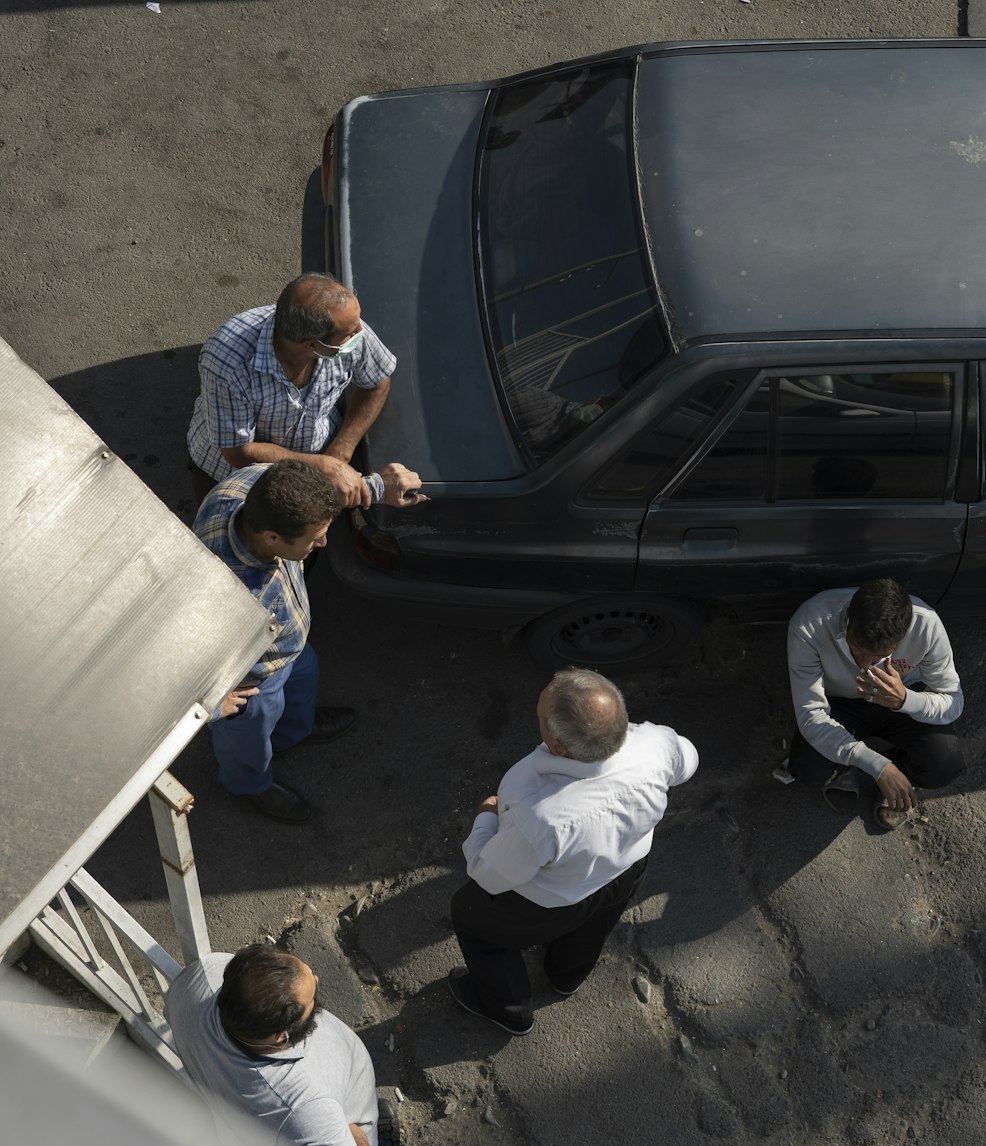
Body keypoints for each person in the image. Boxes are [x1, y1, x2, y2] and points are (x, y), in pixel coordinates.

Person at [449, 669, 699, 1036]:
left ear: (560, 746)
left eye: (540, 718)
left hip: (551, 900)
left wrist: (486, 818)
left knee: (471, 917)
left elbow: (489, 873)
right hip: (626, 870)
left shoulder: (540, 815)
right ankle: (566, 976)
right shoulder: (656, 743)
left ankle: (508, 1008)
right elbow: (687, 760)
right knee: (594, 922)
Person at [196, 457, 422, 824]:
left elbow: (315, 494)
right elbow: (179, 647)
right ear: (272, 537)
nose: (324, 541)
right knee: (247, 742)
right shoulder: (224, 592)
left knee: (302, 688)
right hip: (251, 680)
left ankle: (292, 732)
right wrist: (206, 701)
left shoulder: (254, 484)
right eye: (314, 539)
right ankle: (249, 784)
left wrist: (376, 487)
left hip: (290, 648)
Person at [164, 945, 400, 1146]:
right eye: (310, 1001)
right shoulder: (306, 1111)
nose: (317, 978)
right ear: (281, 1036)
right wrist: (358, 1137)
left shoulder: (203, 977)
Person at [186, 273, 396, 508]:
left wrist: (341, 451)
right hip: (235, 477)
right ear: (313, 345)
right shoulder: (227, 363)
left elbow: (377, 382)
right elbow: (238, 452)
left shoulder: (347, 327)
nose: (361, 332)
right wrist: (322, 467)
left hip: (319, 466)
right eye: (351, 332)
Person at [787, 579, 965, 829]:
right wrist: (877, 766)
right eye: (857, 648)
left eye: (881, 656)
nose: (866, 664)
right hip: (840, 703)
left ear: (904, 634)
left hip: (903, 701)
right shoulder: (809, 623)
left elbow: (953, 702)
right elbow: (811, 715)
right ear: (848, 618)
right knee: (806, 769)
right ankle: (864, 766)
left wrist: (905, 699)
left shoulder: (927, 624)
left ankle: (898, 771)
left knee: (945, 766)